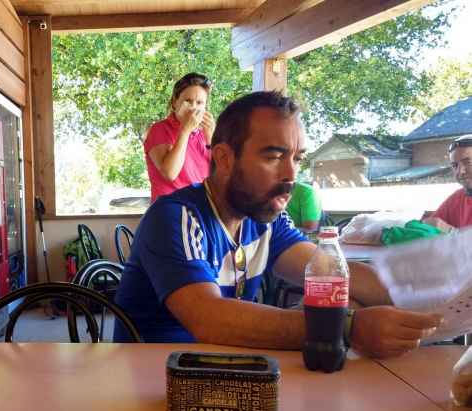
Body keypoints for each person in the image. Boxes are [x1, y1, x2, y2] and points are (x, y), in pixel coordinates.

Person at [114, 91, 442, 358]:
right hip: (157, 389)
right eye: (273, 157)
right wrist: (344, 328)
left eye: (296, 158)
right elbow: (210, 319)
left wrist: (427, 301)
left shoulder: (264, 217)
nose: (291, 175)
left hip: (227, 375)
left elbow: (329, 272)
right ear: (225, 159)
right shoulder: (176, 216)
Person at [144, 73, 216, 203]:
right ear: (174, 102)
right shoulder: (159, 129)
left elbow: (219, 175)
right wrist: (185, 129)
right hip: (171, 211)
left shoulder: (204, 133)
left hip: (201, 211)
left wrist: (211, 138)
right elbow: (170, 173)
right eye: (188, 101)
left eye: (199, 103)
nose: (194, 108)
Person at [424, 135, 472, 230]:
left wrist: (452, 232)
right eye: (455, 165)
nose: (460, 171)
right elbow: (432, 224)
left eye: (468, 162)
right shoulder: (459, 197)